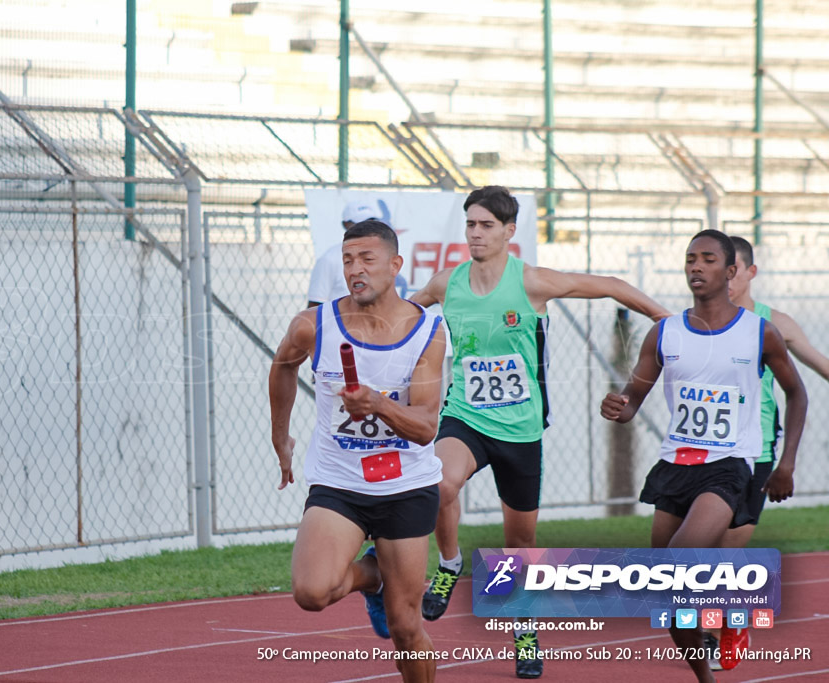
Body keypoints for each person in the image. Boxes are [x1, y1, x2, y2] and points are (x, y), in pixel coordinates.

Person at [409, 185, 670, 679]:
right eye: (470, 224)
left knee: (520, 542)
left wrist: (663, 317)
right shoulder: (447, 283)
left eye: (487, 225)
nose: (476, 233)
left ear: (509, 232)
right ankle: (448, 565)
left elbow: (611, 284)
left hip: (521, 429)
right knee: (440, 482)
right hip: (465, 415)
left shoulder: (532, 283)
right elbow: (405, 313)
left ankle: (523, 628)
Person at [600, 229, 807, 683]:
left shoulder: (759, 332)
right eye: (690, 258)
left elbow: (797, 393)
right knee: (668, 596)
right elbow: (635, 394)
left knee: (676, 569)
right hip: (675, 466)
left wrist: (786, 462)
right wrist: (619, 406)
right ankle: (705, 677)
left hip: (730, 466)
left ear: (731, 272)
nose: (696, 266)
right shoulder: (665, 332)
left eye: (708, 259)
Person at [270, 219, 447, 683]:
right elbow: (282, 367)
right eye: (348, 260)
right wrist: (280, 435)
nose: (356, 270)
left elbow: (427, 426)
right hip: (339, 481)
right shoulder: (314, 326)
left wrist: (377, 404)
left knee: (406, 627)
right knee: (311, 592)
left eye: (367, 259)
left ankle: (385, 587)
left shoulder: (427, 330)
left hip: (406, 485)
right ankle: (373, 576)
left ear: (395, 265)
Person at [701, 235, 829, 670]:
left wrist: (785, 463)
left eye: (733, 271)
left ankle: (730, 625)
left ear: (748, 273)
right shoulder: (695, 320)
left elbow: (817, 367)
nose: (726, 279)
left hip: (752, 451)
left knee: (725, 550)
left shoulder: (775, 324)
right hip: (697, 451)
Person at [308, 200, 407, 307]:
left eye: (371, 221)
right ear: (346, 224)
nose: (365, 227)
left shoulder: (383, 253)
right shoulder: (329, 259)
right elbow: (315, 304)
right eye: (348, 262)